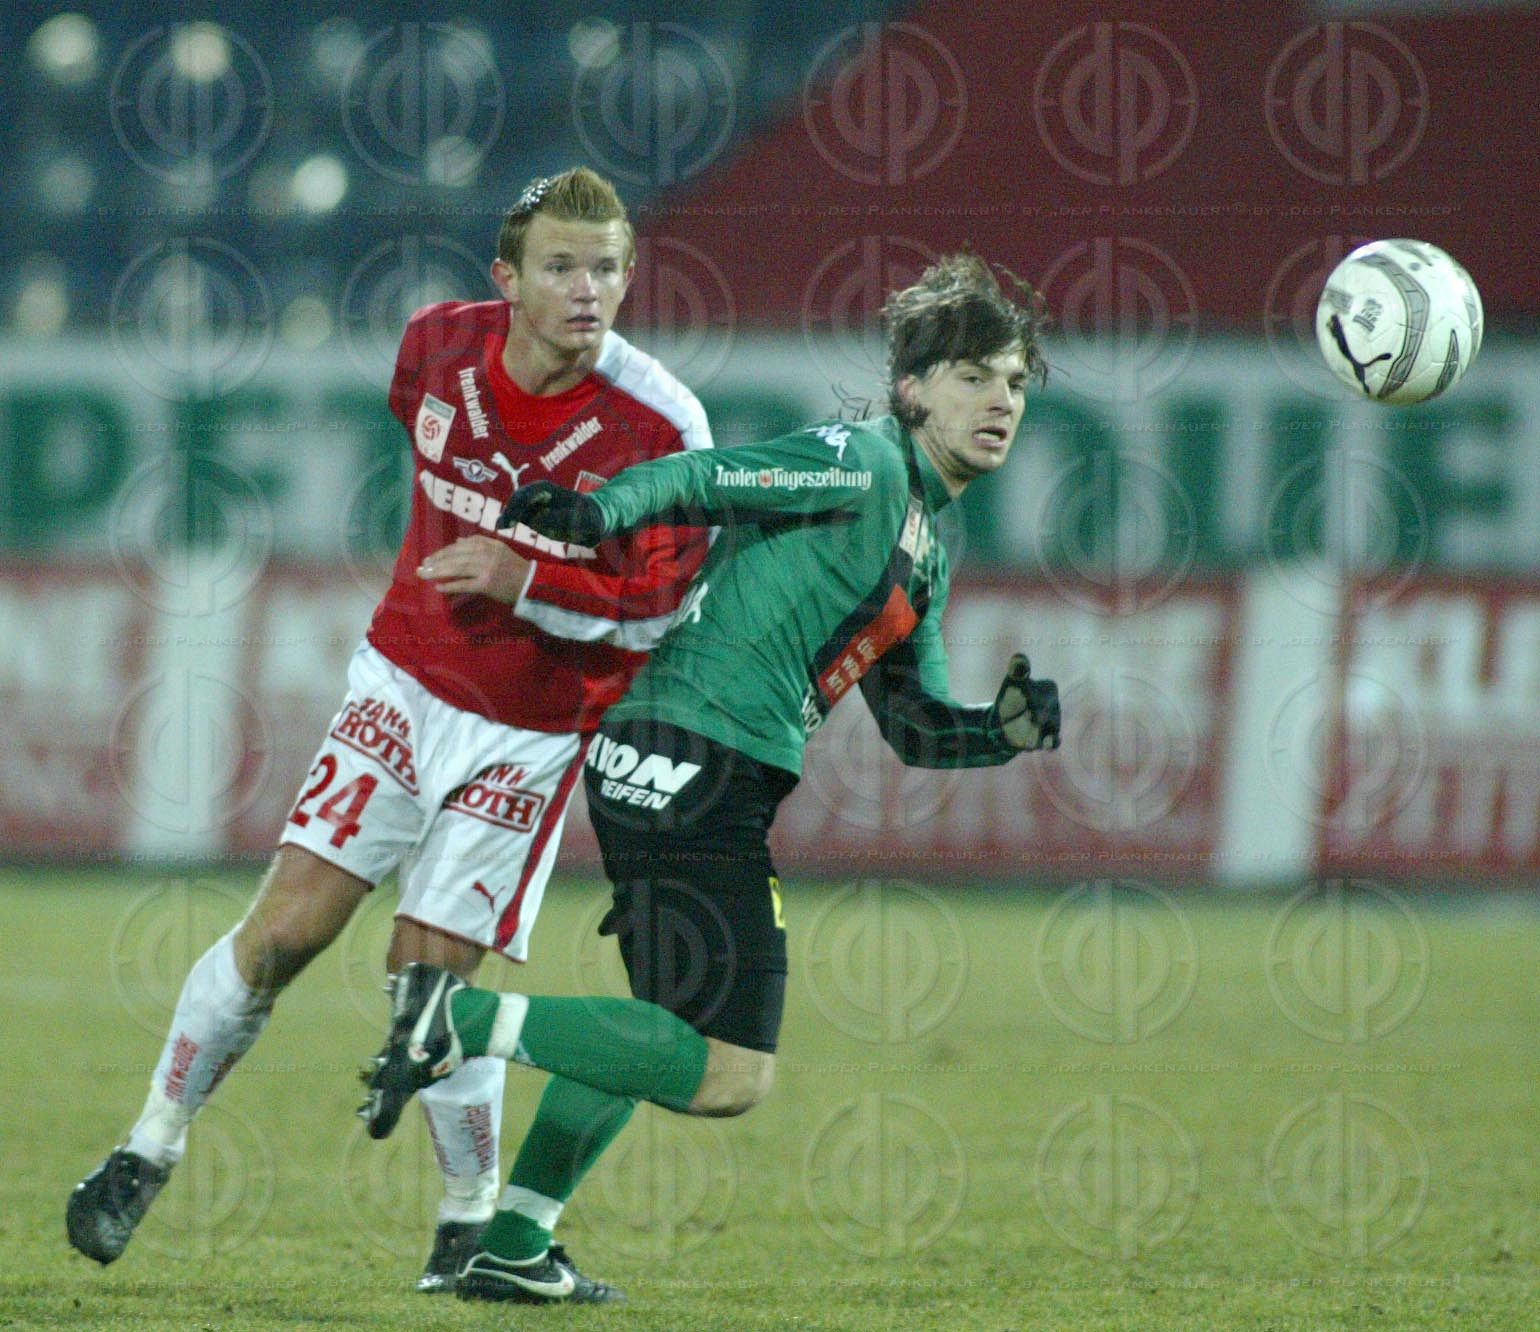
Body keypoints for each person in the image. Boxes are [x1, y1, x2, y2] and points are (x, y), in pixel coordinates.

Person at [357, 253, 1063, 1306]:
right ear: (912, 390)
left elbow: (913, 725)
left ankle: (513, 1240)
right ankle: (451, 1024)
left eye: (1012, 381)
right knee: (729, 1071)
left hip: (686, 757)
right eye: (971, 376)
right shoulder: (863, 464)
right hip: (695, 755)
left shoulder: (925, 549)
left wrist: (997, 732)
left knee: (655, 1033)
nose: (998, 400)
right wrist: (600, 515)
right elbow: (711, 477)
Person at [67, 166, 712, 1295]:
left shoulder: (662, 423)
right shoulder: (433, 347)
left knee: (432, 995)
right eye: (561, 267)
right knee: (282, 935)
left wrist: (529, 583)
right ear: (506, 277)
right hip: (400, 688)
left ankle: (464, 1226)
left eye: (607, 267)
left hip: (529, 731)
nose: (587, 290)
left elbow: (666, 605)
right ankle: (145, 1147)